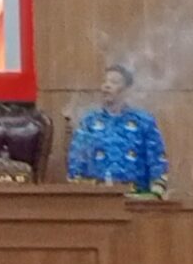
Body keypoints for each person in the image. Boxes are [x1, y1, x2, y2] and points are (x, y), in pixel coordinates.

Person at [65, 64, 170, 197]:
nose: (106, 86)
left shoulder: (143, 121)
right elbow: (76, 160)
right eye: (105, 81)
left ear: (127, 90)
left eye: (114, 82)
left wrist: (155, 194)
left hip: (135, 198)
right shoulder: (89, 121)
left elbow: (157, 161)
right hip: (97, 198)